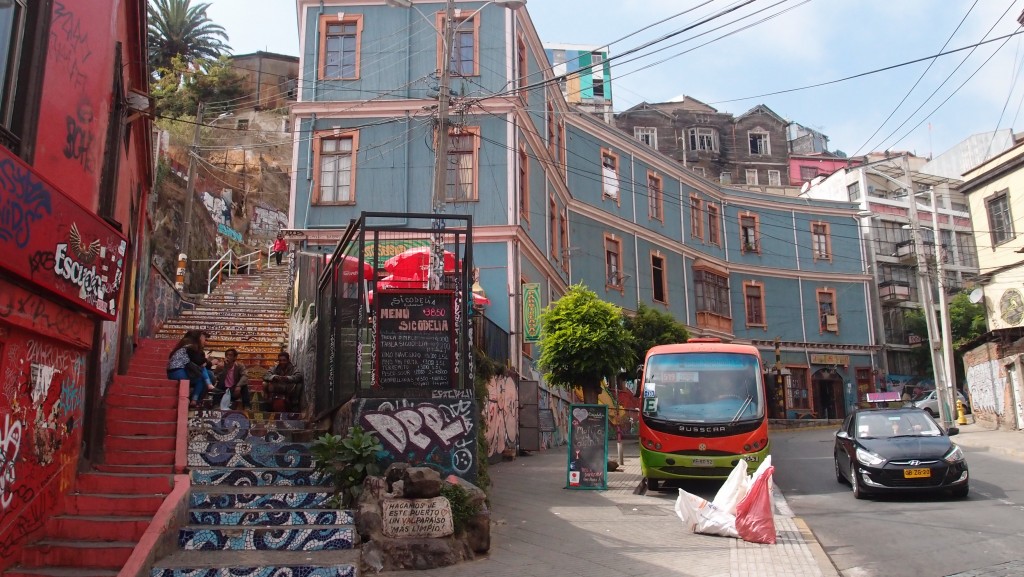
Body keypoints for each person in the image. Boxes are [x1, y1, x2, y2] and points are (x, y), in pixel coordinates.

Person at [168, 329, 215, 409]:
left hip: (175, 371)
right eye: (204, 338)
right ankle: (195, 400)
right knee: (203, 377)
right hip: (179, 372)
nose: (205, 341)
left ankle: (195, 399)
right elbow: (199, 362)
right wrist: (207, 360)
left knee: (205, 374)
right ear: (198, 338)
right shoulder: (191, 347)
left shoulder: (184, 346)